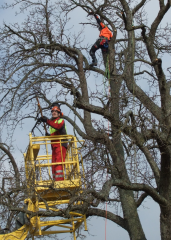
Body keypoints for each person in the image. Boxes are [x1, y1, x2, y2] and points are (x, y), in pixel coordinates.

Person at [39, 103, 67, 181]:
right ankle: (55, 180)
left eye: (55, 111)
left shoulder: (61, 121)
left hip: (61, 145)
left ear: (59, 114)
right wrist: (48, 136)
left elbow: (57, 127)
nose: (53, 113)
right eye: (52, 111)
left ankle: (60, 181)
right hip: (54, 146)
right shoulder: (52, 123)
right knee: (53, 164)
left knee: (58, 163)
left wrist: (47, 120)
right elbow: (54, 134)